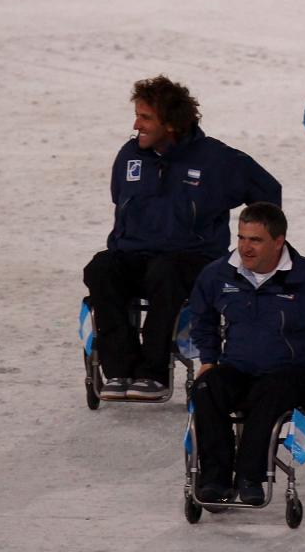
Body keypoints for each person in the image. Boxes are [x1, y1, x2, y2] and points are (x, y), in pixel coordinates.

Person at [82, 76, 281, 401]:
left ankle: (153, 374)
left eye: (145, 117)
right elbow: (120, 198)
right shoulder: (129, 156)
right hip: (134, 257)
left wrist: (257, 245)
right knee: (101, 268)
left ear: (171, 123)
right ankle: (119, 370)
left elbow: (268, 192)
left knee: (166, 271)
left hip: (192, 261)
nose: (136, 124)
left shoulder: (216, 159)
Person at [187, 203, 305, 506]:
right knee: (206, 388)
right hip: (240, 368)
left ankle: (250, 477)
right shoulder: (219, 274)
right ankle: (214, 480)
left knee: (271, 390)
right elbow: (201, 313)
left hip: (296, 372)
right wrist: (209, 358)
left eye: (255, 240)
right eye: (242, 238)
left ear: (278, 241)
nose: (245, 248)